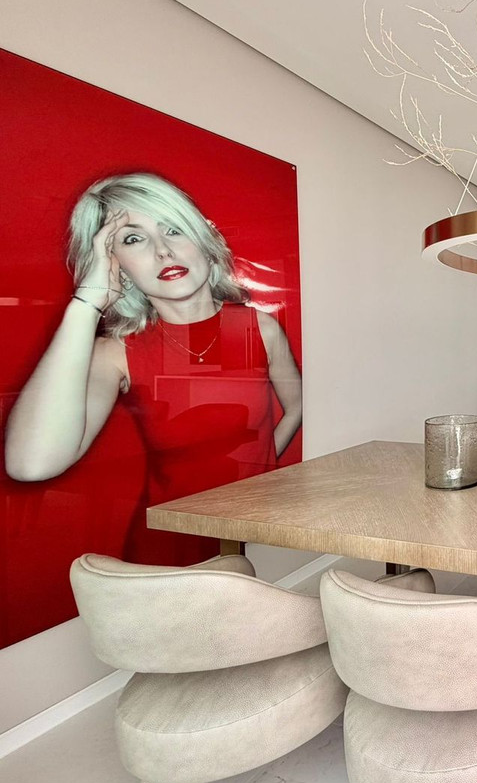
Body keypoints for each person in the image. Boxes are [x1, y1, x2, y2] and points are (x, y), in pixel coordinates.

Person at [4, 173, 301, 558]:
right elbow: (31, 464)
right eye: (133, 239)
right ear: (117, 266)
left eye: (174, 229)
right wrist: (86, 304)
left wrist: (261, 472)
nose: (163, 251)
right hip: (168, 550)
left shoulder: (258, 328)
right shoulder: (116, 353)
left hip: (251, 530)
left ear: (204, 242)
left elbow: (296, 406)